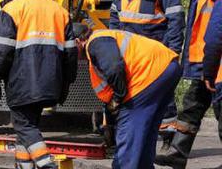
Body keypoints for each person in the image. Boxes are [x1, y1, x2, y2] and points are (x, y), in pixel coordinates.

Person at [0, 0, 78, 169]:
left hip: (22, 82)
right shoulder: (60, 11)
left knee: (24, 126)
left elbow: (2, 51)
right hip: (51, 82)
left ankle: (47, 165)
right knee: (28, 128)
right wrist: (66, 84)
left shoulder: (12, 9)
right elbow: (71, 54)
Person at [109, 0, 185, 145]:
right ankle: (136, 137)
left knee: (163, 94)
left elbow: (175, 18)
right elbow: (115, 15)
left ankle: (168, 138)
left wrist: (173, 50)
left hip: (155, 51)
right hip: (129, 53)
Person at [74, 25, 182, 169]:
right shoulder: (102, 41)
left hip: (148, 74)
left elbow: (114, 68)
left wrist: (118, 98)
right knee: (145, 133)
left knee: (129, 133)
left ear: (77, 41)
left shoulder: (96, 41)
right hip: (165, 67)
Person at [155, 0, 222, 168]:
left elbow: (216, 30)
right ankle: (177, 151)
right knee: (192, 104)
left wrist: (210, 67)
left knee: (220, 111)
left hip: (215, 62)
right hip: (206, 60)